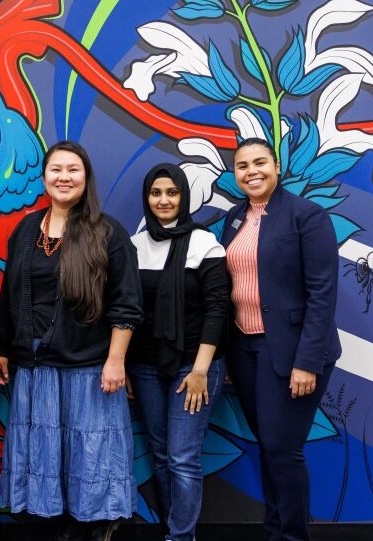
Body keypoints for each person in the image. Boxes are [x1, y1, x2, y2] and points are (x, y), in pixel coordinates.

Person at [0, 140, 143, 541]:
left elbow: (127, 303)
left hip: (88, 367)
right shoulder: (27, 229)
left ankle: (91, 527)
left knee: (88, 455)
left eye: (73, 170)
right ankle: (55, 525)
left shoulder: (107, 232)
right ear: (44, 178)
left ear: (86, 177)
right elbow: (10, 294)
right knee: (45, 453)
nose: (64, 177)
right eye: (56, 169)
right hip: (35, 366)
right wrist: (3, 349)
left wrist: (116, 360)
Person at [220, 138, 340, 541]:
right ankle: (277, 532)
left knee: (281, 450)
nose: (251, 171)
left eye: (259, 163)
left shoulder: (307, 215)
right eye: (242, 166)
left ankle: (290, 537)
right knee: (270, 449)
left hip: (293, 353)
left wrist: (307, 361)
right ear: (234, 174)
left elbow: (322, 295)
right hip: (246, 351)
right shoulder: (234, 219)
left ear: (276, 165)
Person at [126, 164, 229, 541]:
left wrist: (200, 369)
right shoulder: (134, 246)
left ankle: (181, 537)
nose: (164, 200)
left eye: (172, 192)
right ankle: (174, 529)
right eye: (156, 193)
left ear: (184, 197)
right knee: (161, 453)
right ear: (147, 198)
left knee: (183, 457)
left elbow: (218, 309)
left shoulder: (205, 243)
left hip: (194, 366)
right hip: (146, 367)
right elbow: (126, 310)